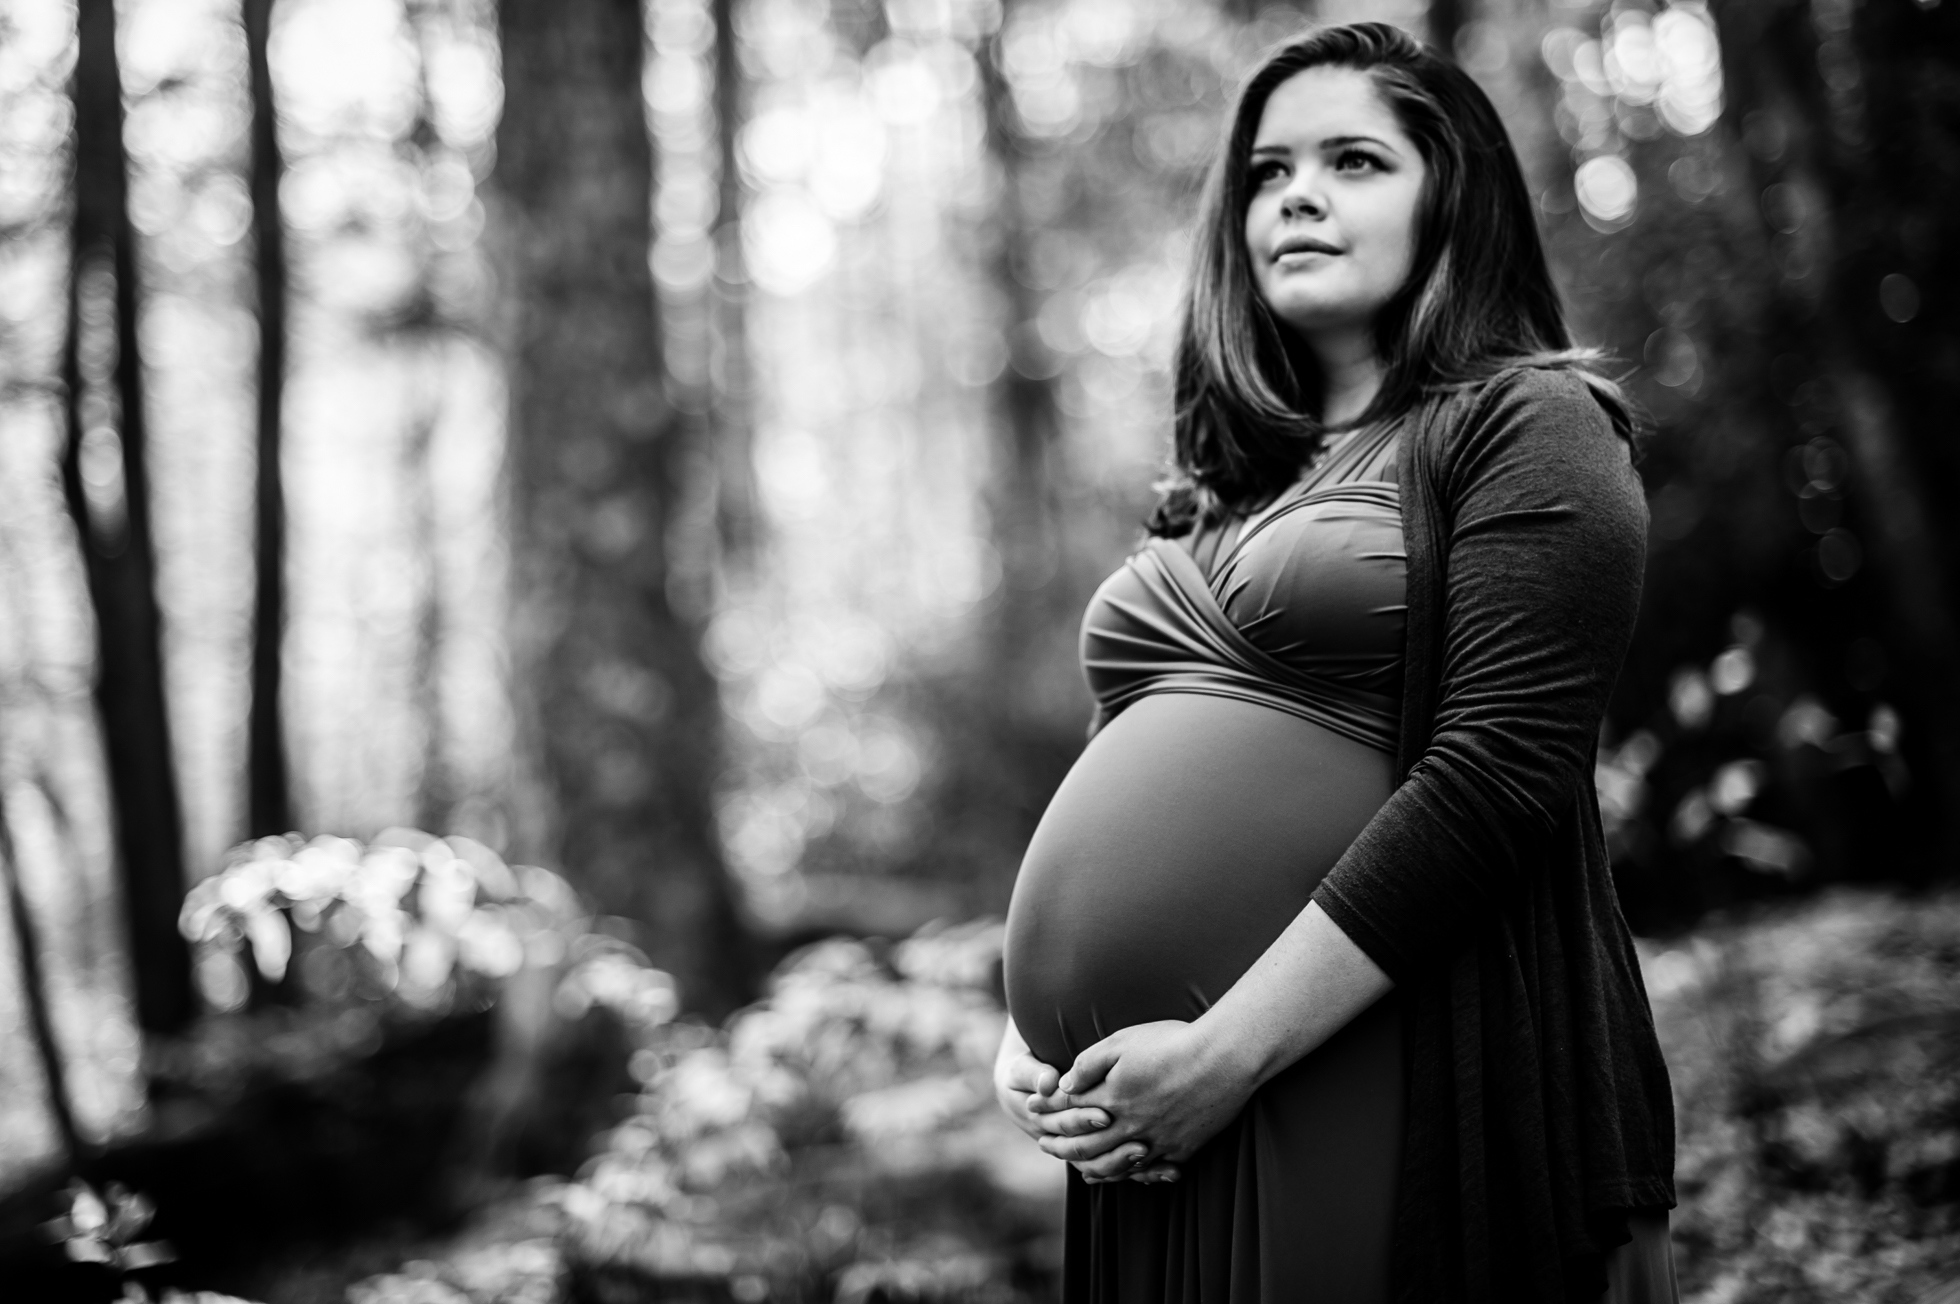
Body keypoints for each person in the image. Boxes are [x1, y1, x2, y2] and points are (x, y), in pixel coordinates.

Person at [991, 22, 1678, 1304]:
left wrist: (1225, 1058)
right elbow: (1120, 758)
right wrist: (1017, 1038)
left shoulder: (1530, 421)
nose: (1294, 193)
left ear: (1451, 201)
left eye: (1354, 160)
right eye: (1265, 171)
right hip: (1145, 1130)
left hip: (1370, 1083)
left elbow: (1499, 778)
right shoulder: (1209, 495)